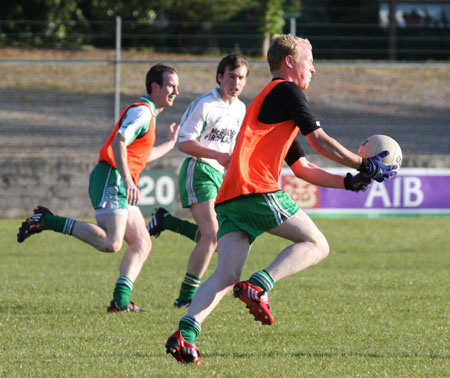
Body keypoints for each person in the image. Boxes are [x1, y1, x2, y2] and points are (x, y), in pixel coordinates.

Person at [165, 34, 397, 365]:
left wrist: (348, 182)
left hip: (229, 198)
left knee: (227, 275)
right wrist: (363, 164)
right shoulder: (287, 91)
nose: (314, 69)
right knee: (318, 244)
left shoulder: (268, 100)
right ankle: (260, 285)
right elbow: (319, 140)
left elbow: (302, 168)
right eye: (310, 60)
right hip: (255, 189)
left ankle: (185, 333)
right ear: (289, 62)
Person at [17, 63, 180, 313]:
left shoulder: (149, 115)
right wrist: (126, 179)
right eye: (170, 85)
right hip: (112, 177)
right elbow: (119, 141)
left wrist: (169, 145)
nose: (175, 91)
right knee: (111, 243)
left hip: (119, 177)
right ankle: (46, 221)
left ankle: (120, 302)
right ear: (155, 87)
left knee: (142, 242)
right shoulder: (143, 113)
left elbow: (139, 156)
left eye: (176, 86)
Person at [147, 54, 249, 308]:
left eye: (241, 78)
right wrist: (217, 155)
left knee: (217, 239)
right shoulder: (205, 104)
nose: (235, 82)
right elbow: (185, 142)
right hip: (199, 170)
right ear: (219, 77)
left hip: (221, 176)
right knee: (213, 236)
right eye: (231, 76)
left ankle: (167, 221)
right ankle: (185, 299)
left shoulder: (240, 108)